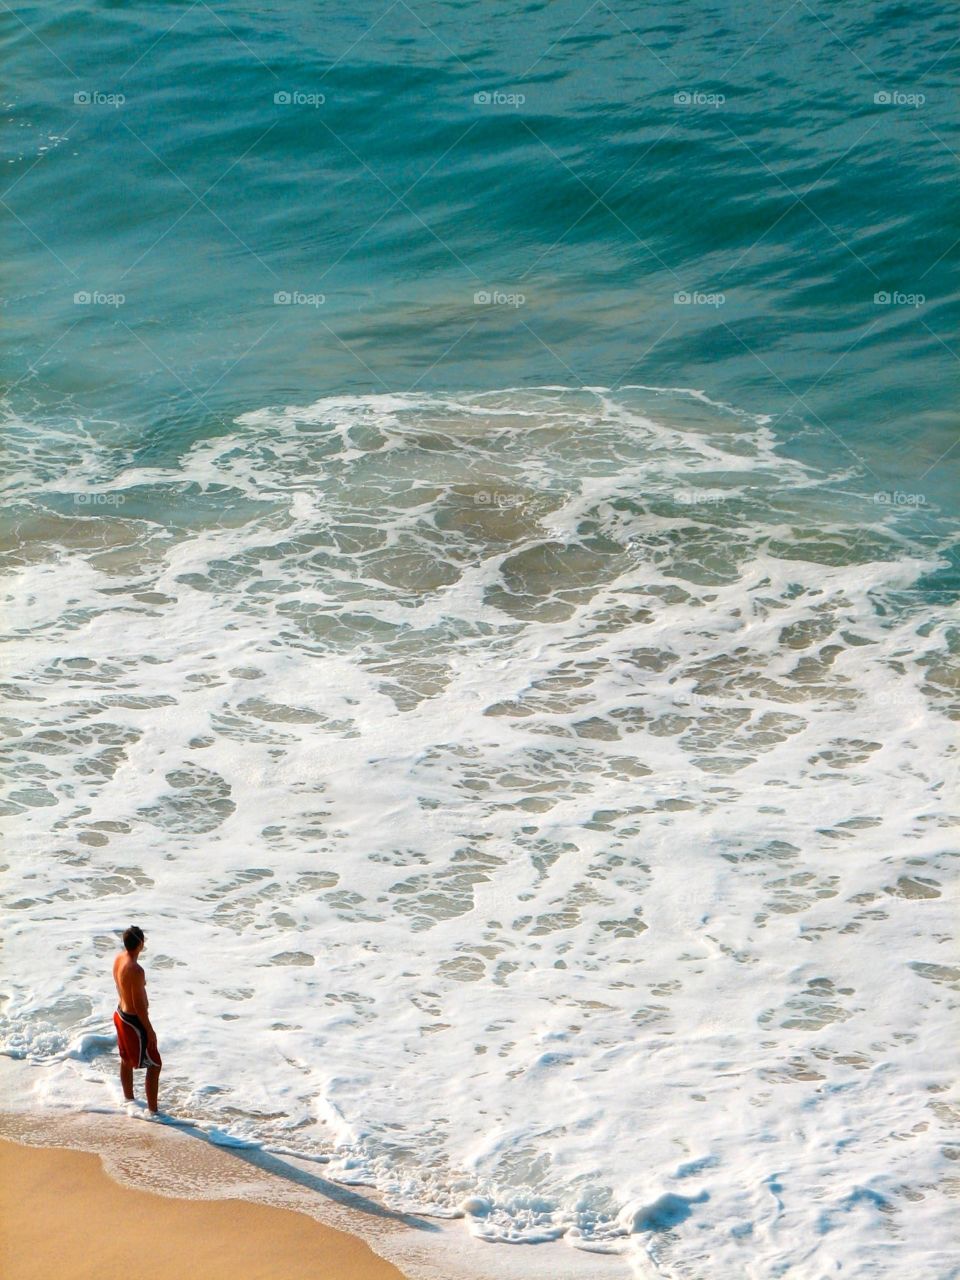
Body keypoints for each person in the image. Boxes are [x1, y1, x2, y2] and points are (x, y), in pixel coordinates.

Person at [112, 925, 162, 1113]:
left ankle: (128, 1100)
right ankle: (153, 1112)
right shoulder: (136, 970)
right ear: (141, 944)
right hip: (133, 1022)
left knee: (125, 1059)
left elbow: (120, 986)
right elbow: (140, 1007)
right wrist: (149, 1031)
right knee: (155, 1065)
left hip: (120, 1014)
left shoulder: (119, 959)